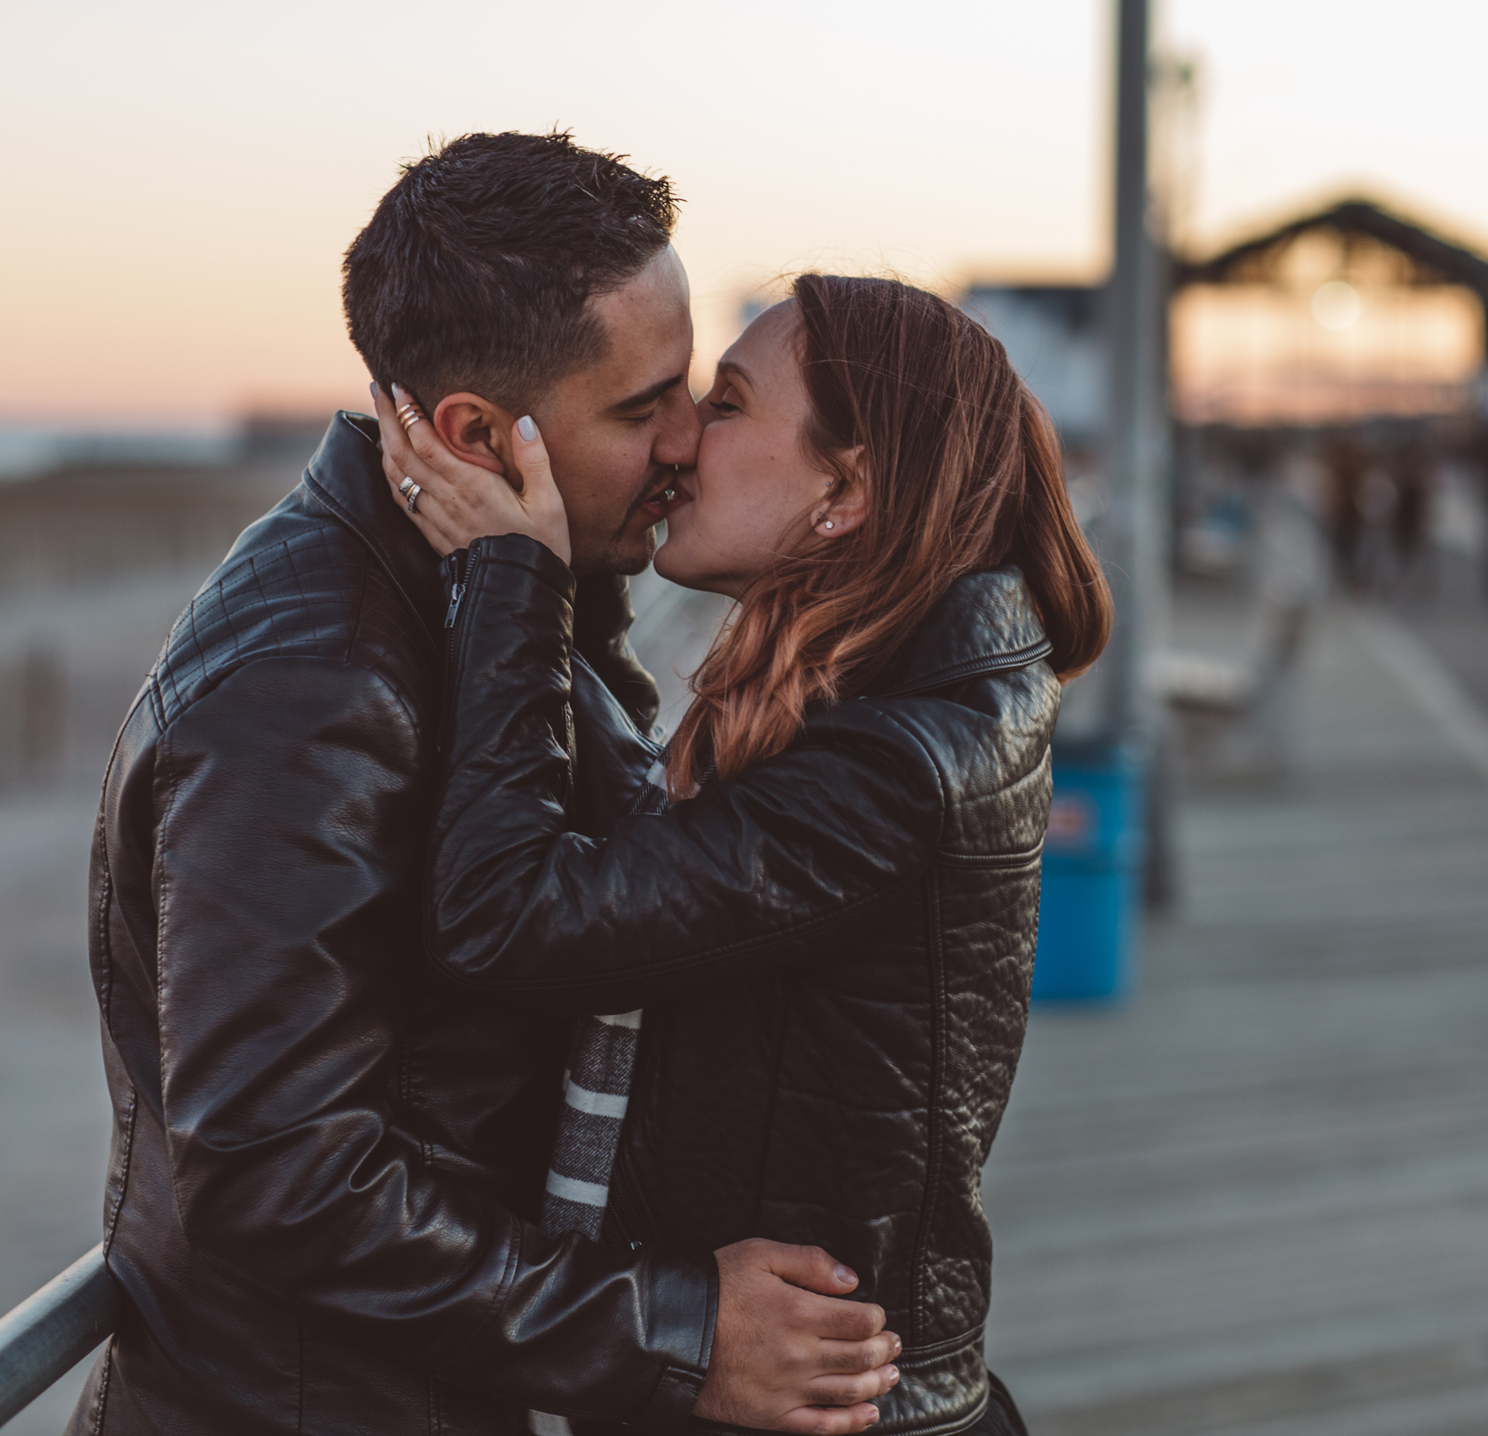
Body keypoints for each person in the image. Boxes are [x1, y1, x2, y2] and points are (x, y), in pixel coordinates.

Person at [72, 133, 895, 1436]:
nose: (687, 441)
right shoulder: (309, 686)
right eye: (642, 408)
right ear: (472, 433)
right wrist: (674, 1331)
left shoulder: (486, 578)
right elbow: (277, 1165)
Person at [370, 273, 1112, 1436]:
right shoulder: (885, 697)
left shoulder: (893, 768)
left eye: (723, 404)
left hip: (808, 1404)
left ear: (845, 488)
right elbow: (649, 862)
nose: (678, 446)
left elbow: (510, 913)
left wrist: (521, 579)